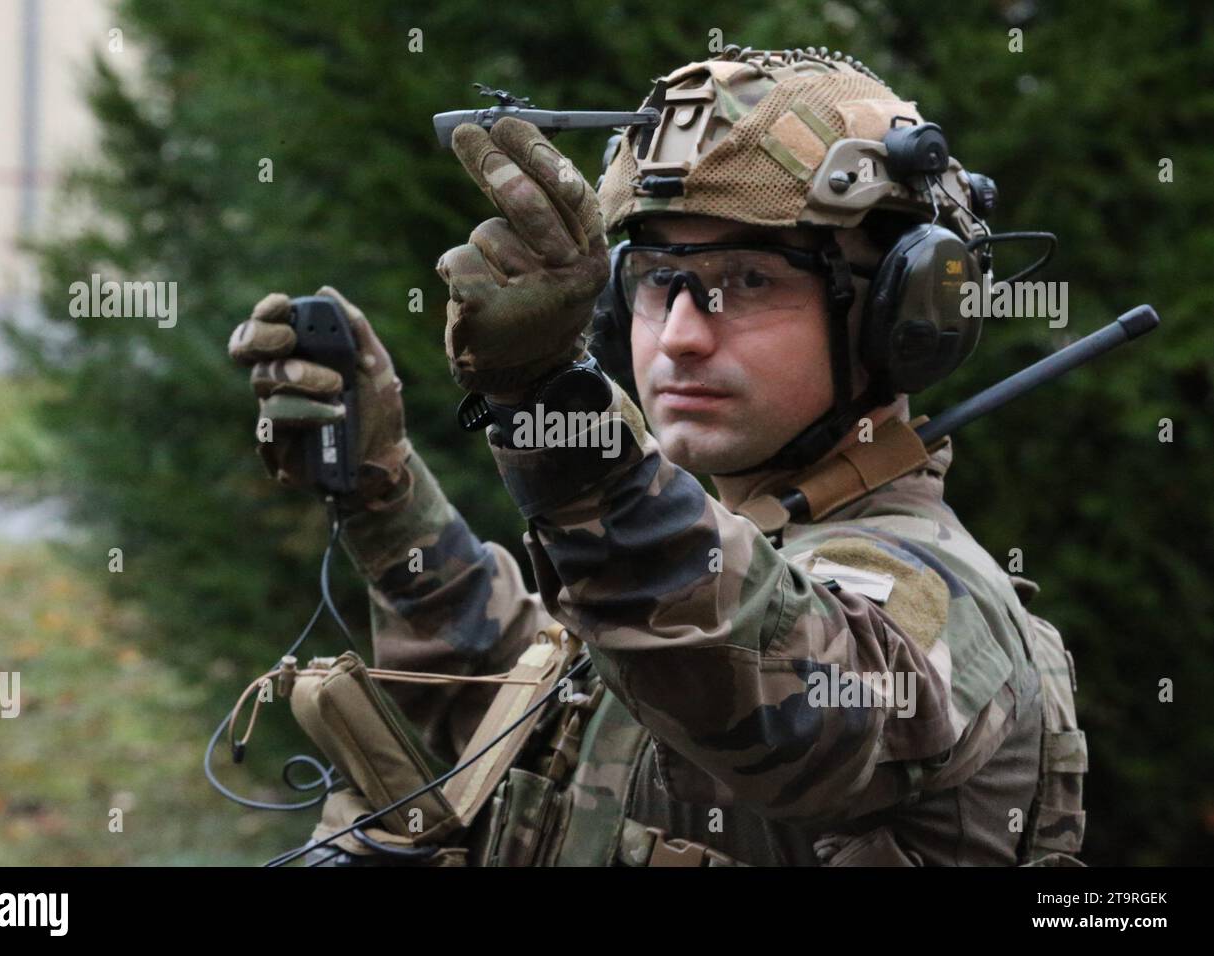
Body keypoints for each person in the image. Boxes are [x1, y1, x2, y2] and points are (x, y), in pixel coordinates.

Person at [227, 46, 1085, 866]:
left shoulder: (934, 592)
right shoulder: (712, 565)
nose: (678, 337)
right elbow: (528, 696)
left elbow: (767, 686)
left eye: (747, 280)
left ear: (900, 312)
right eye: (652, 280)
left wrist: (550, 396)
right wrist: (384, 495)